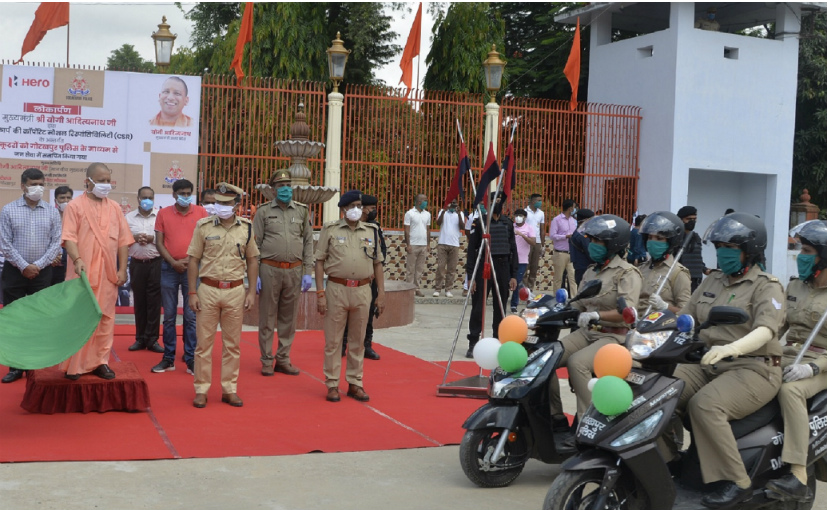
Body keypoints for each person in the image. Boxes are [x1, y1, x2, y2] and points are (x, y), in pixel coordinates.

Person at [670, 213, 784, 508]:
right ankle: (670, 461)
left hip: (754, 367)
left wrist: (732, 347)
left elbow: (765, 330)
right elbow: (686, 316)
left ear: (750, 250)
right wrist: (649, 330)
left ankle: (738, 482)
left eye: (730, 247)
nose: (723, 253)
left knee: (705, 405)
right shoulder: (713, 279)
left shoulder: (767, 285)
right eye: (719, 246)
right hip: (709, 361)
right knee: (662, 392)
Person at [550, 214, 642, 418]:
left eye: (597, 241)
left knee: (577, 363)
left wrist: (596, 315)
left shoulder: (627, 273)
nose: (592, 245)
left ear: (612, 244)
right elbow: (578, 303)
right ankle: (554, 417)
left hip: (613, 336)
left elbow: (626, 313)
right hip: (587, 332)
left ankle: (590, 419)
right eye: (591, 240)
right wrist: (553, 308)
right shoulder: (591, 271)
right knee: (547, 356)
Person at [764, 220, 827, 502]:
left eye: (808, 251)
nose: (801, 256)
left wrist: (812, 367)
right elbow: (778, 328)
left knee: (791, 391)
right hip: (790, 355)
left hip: (820, 363)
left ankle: (799, 473)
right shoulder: (794, 286)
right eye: (801, 250)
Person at [188, 183, 259, 408]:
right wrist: (192, 292)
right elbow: (193, 260)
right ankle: (201, 389)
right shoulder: (203, 226)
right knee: (203, 344)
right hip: (208, 289)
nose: (221, 207)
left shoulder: (246, 228)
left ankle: (229, 389)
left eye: (227, 203)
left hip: (235, 290)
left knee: (232, 344)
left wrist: (251, 292)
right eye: (219, 203)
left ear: (236, 205)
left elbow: (252, 260)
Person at [60, 163, 133, 380]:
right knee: (79, 318)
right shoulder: (74, 206)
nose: (106, 185)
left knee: (105, 319)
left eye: (108, 180)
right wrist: (77, 259)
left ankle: (100, 362)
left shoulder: (115, 208)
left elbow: (123, 242)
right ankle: (74, 365)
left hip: (107, 275)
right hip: (81, 274)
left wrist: (122, 269)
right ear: (88, 182)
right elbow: (69, 238)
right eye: (101, 181)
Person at [315, 190, 385, 402]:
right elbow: (319, 261)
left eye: (359, 206)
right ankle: (332, 384)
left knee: (358, 340)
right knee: (334, 341)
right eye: (352, 206)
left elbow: (378, 263)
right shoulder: (331, 229)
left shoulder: (371, 230)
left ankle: (355, 383)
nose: (357, 210)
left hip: (363, 290)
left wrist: (381, 294)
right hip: (337, 289)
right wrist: (320, 293)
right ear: (343, 209)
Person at [0, 168, 62, 383]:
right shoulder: (8, 210)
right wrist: (24, 266)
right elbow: (5, 244)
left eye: (41, 184)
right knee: (15, 319)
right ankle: (15, 366)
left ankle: (36, 365)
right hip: (14, 272)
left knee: (39, 319)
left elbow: (56, 243)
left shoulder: (52, 212)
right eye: (34, 184)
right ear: (23, 186)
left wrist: (37, 265)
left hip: (42, 273)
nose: (38, 188)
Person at [253, 169, 313, 377]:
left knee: (289, 318)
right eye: (281, 186)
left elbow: (308, 242)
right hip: (269, 269)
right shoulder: (263, 212)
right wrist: (254, 273)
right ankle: (266, 360)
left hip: (294, 270)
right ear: (273, 189)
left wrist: (307, 271)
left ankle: (283, 359)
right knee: (267, 317)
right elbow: (255, 244)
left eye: (288, 186)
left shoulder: (302, 211)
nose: (285, 189)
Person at [153, 179, 208, 375]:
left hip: (193, 269)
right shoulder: (163, 213)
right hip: (169, 268)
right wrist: (173, 262)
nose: (185, 196)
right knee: (169, 316)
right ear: (174, 194)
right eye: (182, 193)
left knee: (191, 317)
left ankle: (191, 358)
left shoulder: (201, 212)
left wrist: (190, 261)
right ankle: (168, 358)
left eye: (188, 193)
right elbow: (159, 243)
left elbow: (205, 241)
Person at [465, 192, 518, 358]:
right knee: (478, 307)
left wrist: (514, 275)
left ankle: (498, 341)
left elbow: (513, 249)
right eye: (495, 200)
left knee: (500, 307)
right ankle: (474, 342)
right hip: (484, 265)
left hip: (502, 266)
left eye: (500, 201)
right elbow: (472, 251)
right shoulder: (480, 222)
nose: (497, 203)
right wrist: (471, 276)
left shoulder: (507, 223)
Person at [341, 194, 387, 361]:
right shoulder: (348, 227)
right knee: (346, 312)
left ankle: (366, 345)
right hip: (351, 279)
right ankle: (342, 344)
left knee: (368, 313)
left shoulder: (374, 228)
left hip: (370, 280)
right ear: (364, 209)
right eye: (371, 208)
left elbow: (382, 252)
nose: (373, 211)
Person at [124, 186, 164, 353]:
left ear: (154, 199)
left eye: (150, 198)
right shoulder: (128, 217)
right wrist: (134, 238)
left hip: (156, 263)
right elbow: (121, 239)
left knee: (154, 303)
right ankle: (140, 338)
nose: (147, 200)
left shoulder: (160, 216)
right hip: (137, 264)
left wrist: (151, 239)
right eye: (144, 197)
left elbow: (166, 238)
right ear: (138, 199)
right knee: (139, 301)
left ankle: (152, 339)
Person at [637, 212, 692, 316]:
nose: (652, 242)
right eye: (650, 237)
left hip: (660, 324)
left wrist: (665, 306)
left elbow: (686, 313)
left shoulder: (678, 273)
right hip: (636, 323)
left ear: (671, 242)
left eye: (659, 238)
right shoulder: (641, 269)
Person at [433, 199, 465, 298]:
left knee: (452, 268)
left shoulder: (460, 214)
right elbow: (438, 223)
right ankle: (438, 289)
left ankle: (448, 289)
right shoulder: (443, 212)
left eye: (454, 204)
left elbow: (462, 226)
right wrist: (443, 210)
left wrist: (459, 214)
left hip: (454, 244)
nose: (452, 205)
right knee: (441, 267)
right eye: (451, 203)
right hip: (442, 243)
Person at [676, 206, 709, 293]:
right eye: (688, 219)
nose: (692, 221)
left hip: (696, 280)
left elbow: (697, 257)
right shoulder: (676, 237)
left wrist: (705, 269)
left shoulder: (695, 237)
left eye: (694, 219)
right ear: (680, 219)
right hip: (681, 279)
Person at [549, 199, 578, 294]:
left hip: (571, 253)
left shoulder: (574, 221)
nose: (575, 209)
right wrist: (565, 236)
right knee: (558, 278)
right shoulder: (557, 220)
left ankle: (574, 298)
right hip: (560, 253)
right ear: (570, 209)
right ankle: (556, 298)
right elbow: (552, 236)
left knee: (573, 278)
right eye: (574, 207)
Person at [404, 193, 430, 297]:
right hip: (413, 245)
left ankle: (417, 288)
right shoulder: (410, 213)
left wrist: (428, 244)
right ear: (419, 201)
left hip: (423, 245)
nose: (426, 202)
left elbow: (428, 230)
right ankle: (409, 289)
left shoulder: (427, 214)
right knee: (410, 269)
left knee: (419, 269)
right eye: (425, 200)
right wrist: (408, 244)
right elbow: (406, 230)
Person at [510, 208, 535, 312]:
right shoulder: (511, 226)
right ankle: (528, 293)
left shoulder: (529, 228)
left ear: (525, 217)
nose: (518, 218)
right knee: (508, 281)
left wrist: (522, 235)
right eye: (516, 215)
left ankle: (514, 304)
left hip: (522, 260)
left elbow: (533, 242)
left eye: (520, 216)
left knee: (517, 281)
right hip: (510, 258)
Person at [50, 185, 73, 286]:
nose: (66, 201)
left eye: (68, 198)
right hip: (52, 262)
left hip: (71, 261)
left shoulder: (77, 217)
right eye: (62, 198)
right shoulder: (49, 216)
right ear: (56, 201)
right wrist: (51, 256)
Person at [523, 193, 545, 291]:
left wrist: (543, 245)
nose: (540, 202)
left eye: (541, 200)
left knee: (534, 266)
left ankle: (530, 288)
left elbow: (542, 230)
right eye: (538, 200)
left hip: (537, 242)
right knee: (525, 266)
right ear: (532, 201)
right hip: (527, 242)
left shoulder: (541, 213)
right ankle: (524, 289)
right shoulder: (525, 212)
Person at [569, 208, 594, 286]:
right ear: (585, 220)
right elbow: (589, 251)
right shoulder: (582, 235)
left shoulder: (578, 232)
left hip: (581, 267)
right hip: (584, 268)